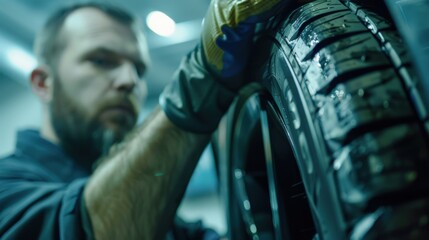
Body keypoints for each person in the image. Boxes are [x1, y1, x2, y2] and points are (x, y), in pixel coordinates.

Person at [0, 0, 288, 239]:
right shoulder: (7, 190)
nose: (129, 81)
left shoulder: (163, 216)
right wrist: (200, 82)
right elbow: (84, 229)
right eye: (101, 60)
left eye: (138, 69)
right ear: (43, 83)